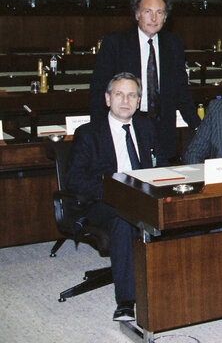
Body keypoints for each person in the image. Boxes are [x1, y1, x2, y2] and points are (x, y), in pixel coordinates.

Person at [66, 72, 168, 322]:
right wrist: (116, 192)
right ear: (107, 99)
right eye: (119, 94)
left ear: (139, 100)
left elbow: (162, 164)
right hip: (103, 202)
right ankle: (126, 301)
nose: (125, 100)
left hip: (143, 198)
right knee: (124, 219)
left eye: (132, 95)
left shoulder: (146, 127)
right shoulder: (89, 133)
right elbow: (74, 178)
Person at [89, 0, 200, 159]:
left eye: (160, 12)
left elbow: (181, 90)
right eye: (148, 11)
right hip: (128, 124)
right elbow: (98, 90)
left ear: (166, 17)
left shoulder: (174, 44)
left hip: (163, 128)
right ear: (137, 14)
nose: (154, 18)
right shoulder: (115, 43)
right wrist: (99, 130)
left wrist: (197, 125)